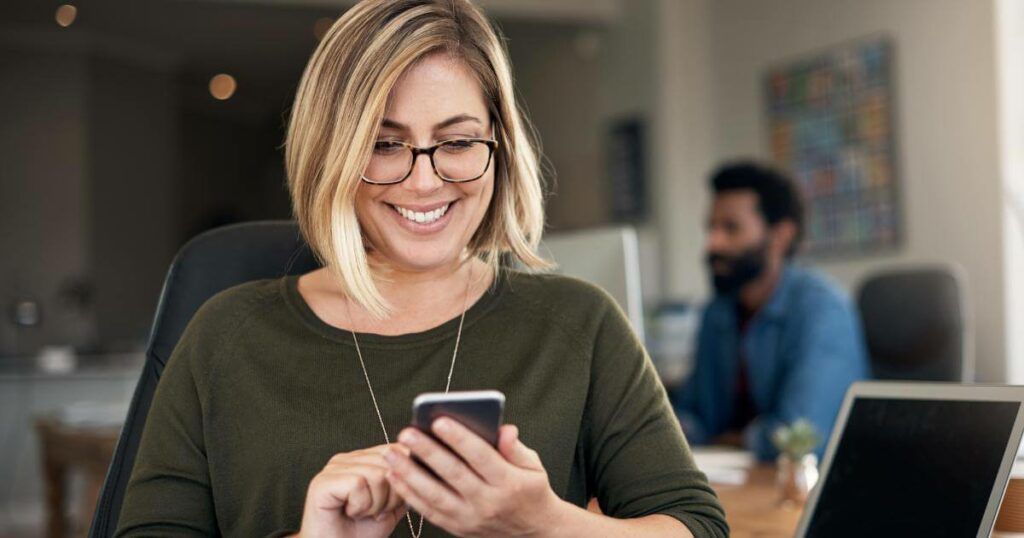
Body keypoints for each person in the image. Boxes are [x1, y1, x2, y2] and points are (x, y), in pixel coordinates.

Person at [114, 1, 727, 537]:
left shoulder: (580, 324)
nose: (424, 180)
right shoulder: (223, 336)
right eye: (384, 144)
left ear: (499, 148)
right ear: (332, 155)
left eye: (458, 142)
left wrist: (545, 525)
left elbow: (695, 525)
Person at [673, 161, 869, 462]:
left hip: (798, 491)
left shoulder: (822, 309)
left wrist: (730, 441)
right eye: (711, 228)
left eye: (730, 228)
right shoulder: (717, 313)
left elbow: (802, 437)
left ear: (780, 236)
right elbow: (694, 414)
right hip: (733, 486)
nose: (713, 243)